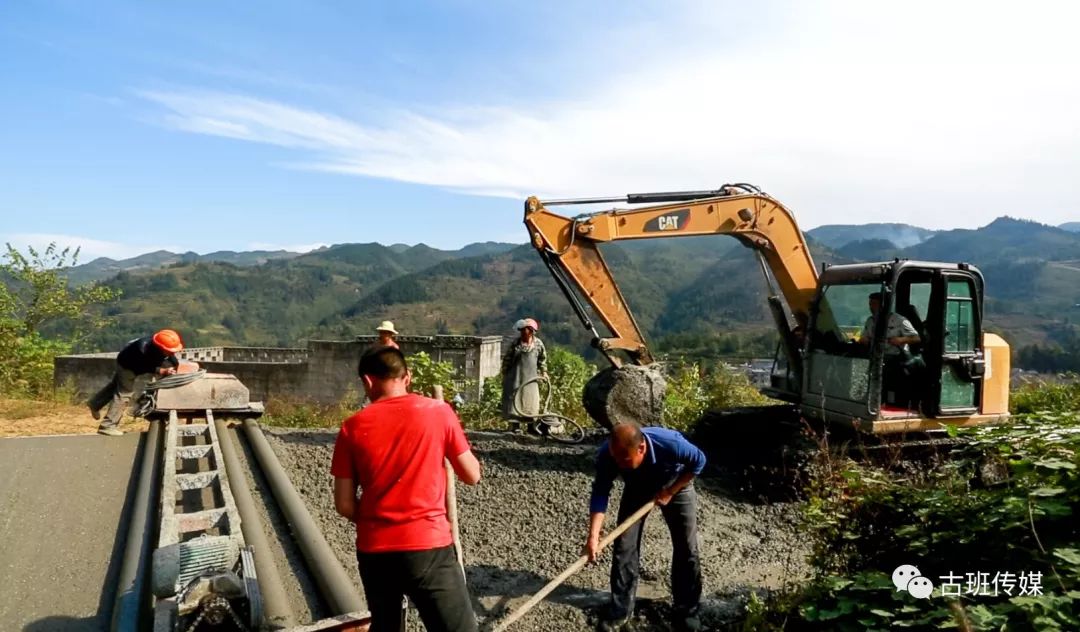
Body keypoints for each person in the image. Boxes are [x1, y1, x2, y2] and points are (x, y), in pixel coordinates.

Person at [331, 346, 481, 632]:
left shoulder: (351, 427)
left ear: (367, 381)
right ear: (407, 377)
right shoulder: (438, 413)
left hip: (375, 551)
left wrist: (378, 518)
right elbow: (471, 475)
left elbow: (344, 505)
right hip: (428, 546)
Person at [584, 423, 706, 632]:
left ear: (641, 448)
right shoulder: (609, 453)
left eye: (625, 460)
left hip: (676, 483)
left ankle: (687, 610)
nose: (619, 465)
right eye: (617, 460)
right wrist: (593, 536)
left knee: (686, 545)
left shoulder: (671, 444)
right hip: (637, 487)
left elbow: (699, 461)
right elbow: (600, 492)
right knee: (624, 545)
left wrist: (670, 491)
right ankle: (621, 610)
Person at [87, 329, 183, 436]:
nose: (172, 352)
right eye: (169, 350)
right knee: (124, 393)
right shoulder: (142, 349)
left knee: (115, 386)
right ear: (160, 347)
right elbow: (144, 366)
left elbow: (169, 356)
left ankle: (95, 404)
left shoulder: (160, 345)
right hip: (127, 366)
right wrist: (162, 371)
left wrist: (176, 365)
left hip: (133, 363)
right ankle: (108, 426)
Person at [858, 292, 922, 405]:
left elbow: (916, 338)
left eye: (874, 304)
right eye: (870, 305)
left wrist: (900, 340)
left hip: (896, 357)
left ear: (883, 305)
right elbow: (864, 337)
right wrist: (864, 340)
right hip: (877, 356)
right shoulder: (870, 321)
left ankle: (887, 402)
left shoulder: (899, 320)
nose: (871, 308)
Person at [500, 318, 548, 421]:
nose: (522, 333)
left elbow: (542, 360)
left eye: (524, 330)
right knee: (514, 401)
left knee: (530, 402)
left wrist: (544, 372)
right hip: (515, 378)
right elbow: (507, 359)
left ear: (531, 331)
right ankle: (514, 425)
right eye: (521, 330)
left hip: (530, 379)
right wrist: (504, 374)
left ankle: (531, 425)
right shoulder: (515, 344)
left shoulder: (538, 344)